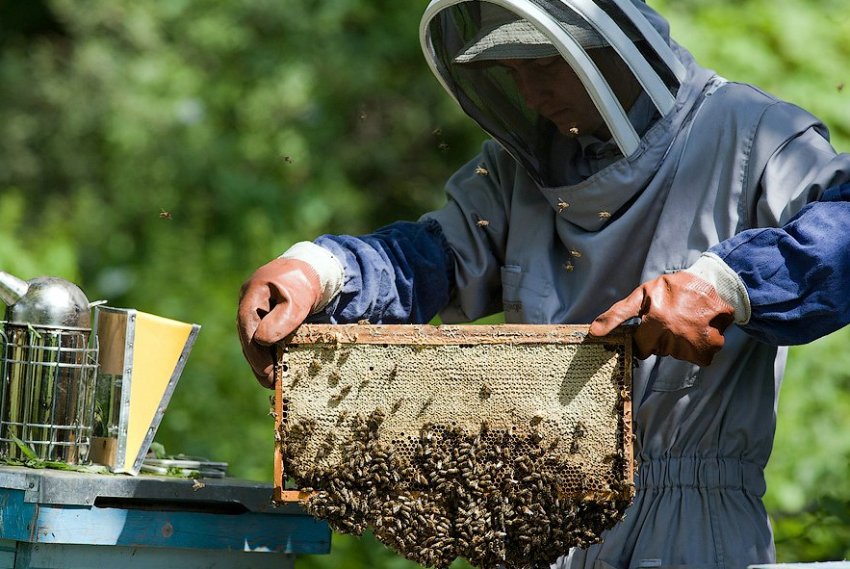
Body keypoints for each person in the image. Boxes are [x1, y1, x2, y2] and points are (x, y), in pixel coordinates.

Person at [237, 1, 850, 568]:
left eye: (544, 64)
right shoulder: (516, 174)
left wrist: (729, 284)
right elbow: (433, 258)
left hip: (691, 526)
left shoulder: (751, 134)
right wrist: (320, 270)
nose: (530, 91)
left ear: (610, 50)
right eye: (512, 71)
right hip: (540, 521)